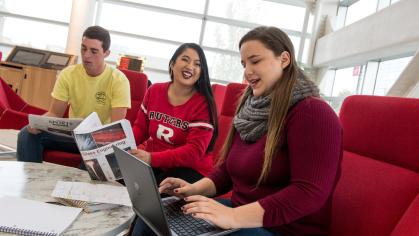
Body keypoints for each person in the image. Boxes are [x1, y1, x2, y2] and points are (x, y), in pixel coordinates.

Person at [157, 26, 343, 236]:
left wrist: (233, 217)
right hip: (240, 215)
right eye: (244, 64)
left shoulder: (313, 113)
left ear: (284, 59)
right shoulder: (250, 108)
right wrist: (193, 190)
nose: (247, 71)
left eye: (255, 61)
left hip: (284, 229)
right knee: (157, 217)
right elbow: (227, 172)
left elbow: (309, 193)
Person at [17, 26, 131, 163]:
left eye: (94, 51)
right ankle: (31, 181)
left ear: (106, 53)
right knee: (26, 133)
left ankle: (75, 184)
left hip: (99, 141)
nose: (86, 55)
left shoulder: (118, 80)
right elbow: (55, 113)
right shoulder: (68, 74)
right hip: (72, 136)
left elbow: (115, 129)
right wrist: (37, 124)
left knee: (93, 148)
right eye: (83, 48)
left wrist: (94, 138)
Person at [131, 42, 218, 185]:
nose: (190, 67)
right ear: (172, 64)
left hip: (191, 170)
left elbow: (193, 152)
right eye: (185, 59)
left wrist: (151, 158)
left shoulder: (204, 104)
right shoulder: (154, 91)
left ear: (201, 72)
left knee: (148, 191)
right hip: (159, 164)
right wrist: (122, 146)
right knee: (123, 180)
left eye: (197, 64)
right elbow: (141, 129)